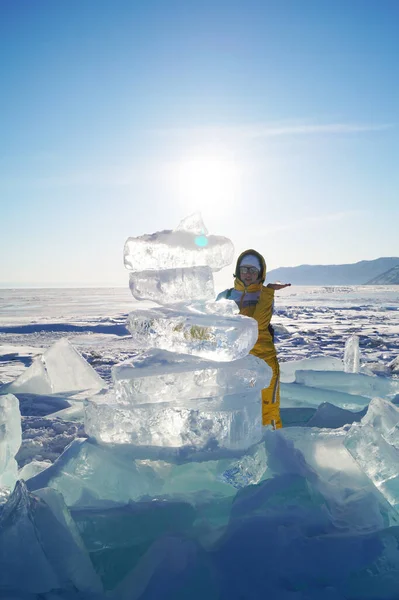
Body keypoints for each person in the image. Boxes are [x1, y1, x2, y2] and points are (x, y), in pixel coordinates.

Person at [217, 249, 290, 429]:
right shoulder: (225, 296)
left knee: (267, 409)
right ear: (238, 271)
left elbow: (256, 324)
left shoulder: (263, 295)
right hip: (234, 361)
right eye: (244, 269)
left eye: (252, 270)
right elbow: (213, 327)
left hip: (263, 360)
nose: (248, 274)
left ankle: (274, 448)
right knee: (235, 410)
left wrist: (269, 292)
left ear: (260, 273)